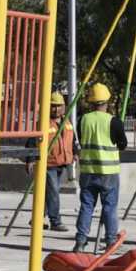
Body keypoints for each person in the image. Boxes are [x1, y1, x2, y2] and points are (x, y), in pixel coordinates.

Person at [74, 83, 127, 252]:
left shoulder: (82, 120)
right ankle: (111, 242)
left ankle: (80, 242)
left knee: (86, 206)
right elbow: (123, 145)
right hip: (108, 173)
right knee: (110, 207)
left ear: (91, 102)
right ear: (107, 102)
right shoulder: (114, 121)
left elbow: (81, 140)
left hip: (87, 172)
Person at [26, 91, 77, 232]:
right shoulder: (42, 123)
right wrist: (30, 159)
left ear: (64, 107)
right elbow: (31, 141)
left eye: (58, 106)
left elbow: (72, 140)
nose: (56, 109)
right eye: (53, 106)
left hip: (62, 162)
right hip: (48, 164)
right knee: (53, 191)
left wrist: (76, 153)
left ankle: (38, 217)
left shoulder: (67, 122)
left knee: (49, 192)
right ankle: (55, 221)